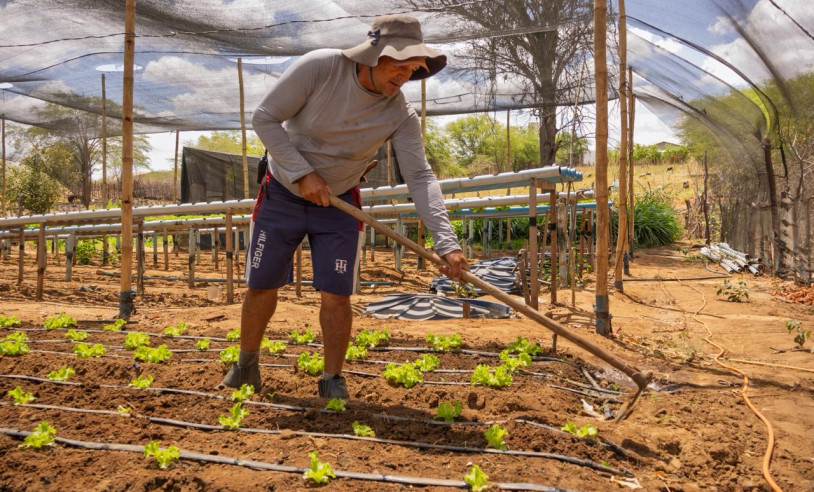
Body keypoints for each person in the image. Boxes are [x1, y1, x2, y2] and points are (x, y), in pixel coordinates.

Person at [219, 14, 469, 399]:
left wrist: (447, 243)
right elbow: (265, 118)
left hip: (339, 203)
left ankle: (332, 379)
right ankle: (246, 363)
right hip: (283, 193)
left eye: (412, 70)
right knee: (262, 283)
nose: (404, 78)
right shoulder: (321, 68)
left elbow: (420, 178)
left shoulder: (400, 115)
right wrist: (303, 173)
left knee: (337, 293)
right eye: (398, 67)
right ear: (373, 56)